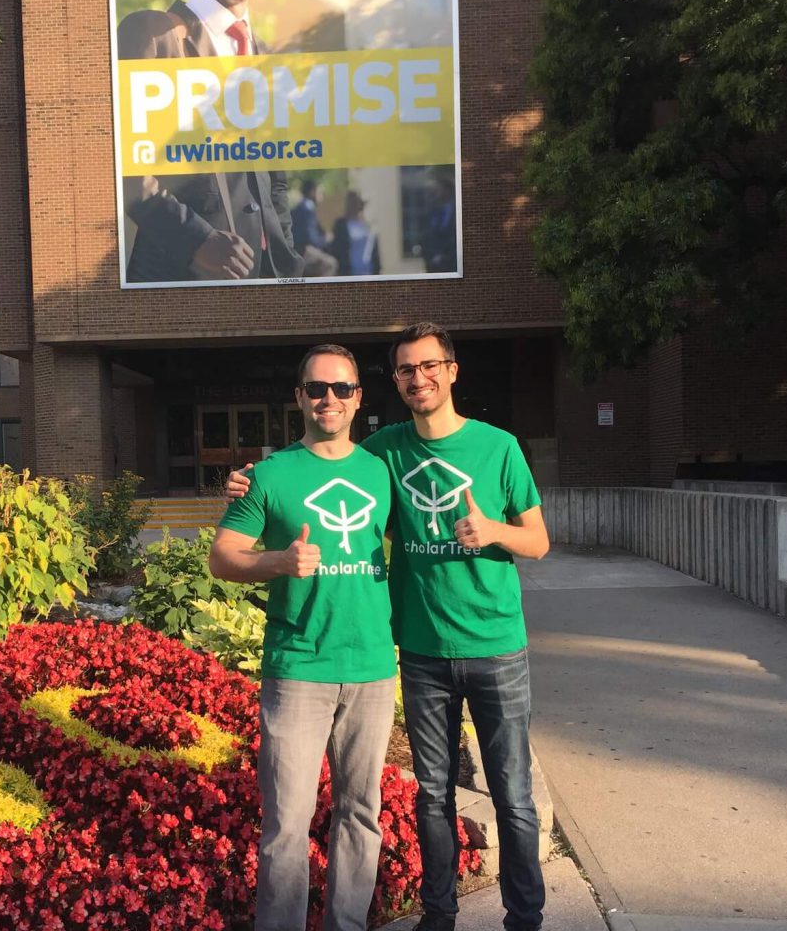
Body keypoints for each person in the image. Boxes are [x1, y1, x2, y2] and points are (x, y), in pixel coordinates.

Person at [226, 322, 550, 931]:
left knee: (513, 795)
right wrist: (246, 484)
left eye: (430, 366)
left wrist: (496, 533)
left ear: (452, 371)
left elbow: (539, 540)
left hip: (497, 648)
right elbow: (319, 466)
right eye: (406, 370)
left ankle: (524, 918)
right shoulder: (384, 454)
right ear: (394, 382)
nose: (419, 378)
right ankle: (439, 915)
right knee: (431, 795)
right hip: (421, 651)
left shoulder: (499, 446)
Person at [209, 344, 396, 931]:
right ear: (299, 398)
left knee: (360, 815)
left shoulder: (382, 468)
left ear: (359, 398)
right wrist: (278, 562)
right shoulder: (269, 475)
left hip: (370, 667)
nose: (329, 399)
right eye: (317, 388)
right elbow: (223, 555)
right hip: (297, 669)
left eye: (342, 388)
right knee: (287, 824)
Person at [117, 0, 303, 284]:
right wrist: (195, 241)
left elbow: (275, 179)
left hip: (269, 282)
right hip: (178, 280)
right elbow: (127, 166)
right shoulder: (152, 34)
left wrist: (287, 257)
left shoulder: (265, 58)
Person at [290, 178, 338, 277]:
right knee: (330, 264)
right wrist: (326, 239)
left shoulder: (300, 208)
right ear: (313, 192)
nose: (322, 195)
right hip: (303, 251)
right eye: (320, 192)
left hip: (298, 250)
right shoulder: (307, 210)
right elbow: (310, 238)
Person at [329, 190, 381, 276]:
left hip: (369, 274)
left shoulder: (368, 225)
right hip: (349, 274)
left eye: (361, 203)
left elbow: (374, 251)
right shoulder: (341, 224)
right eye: (356, 203)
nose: (359, 206)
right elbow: (336, 249)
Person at [420, 177, 457, 274]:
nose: (435, 192)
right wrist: (430, 258)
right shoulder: (432, 211)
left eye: (438, 189)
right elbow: (425, 236)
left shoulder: (457, 211)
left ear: (447, 190)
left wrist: (445, 257)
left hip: (451, 266)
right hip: (433, 266)